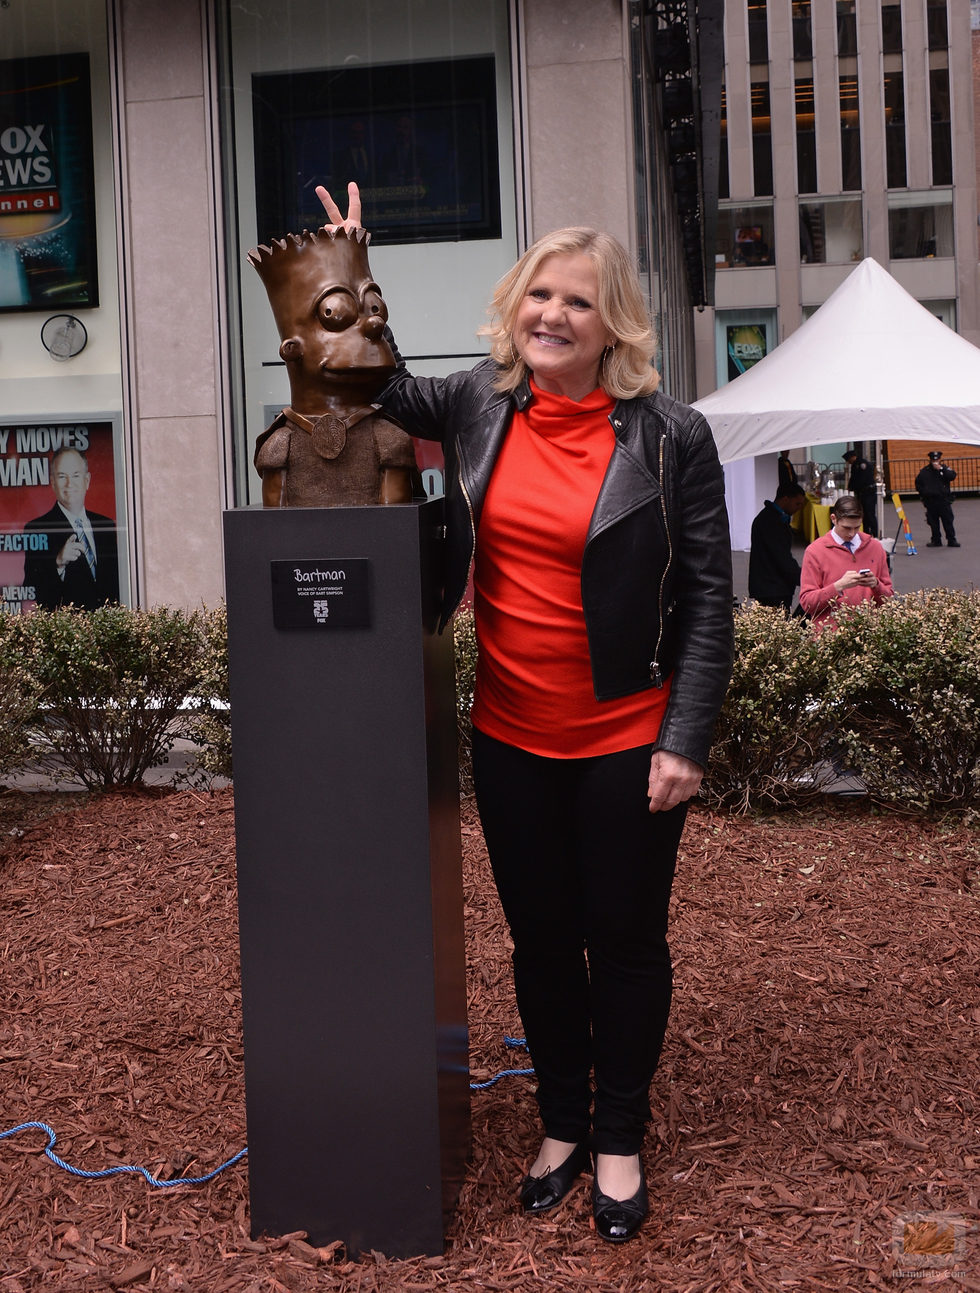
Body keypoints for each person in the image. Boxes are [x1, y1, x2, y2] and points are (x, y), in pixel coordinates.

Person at [316, 183, 735, 1243]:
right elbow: (370, 383)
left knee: (623, 942)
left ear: (615, 324)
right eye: (537, 295)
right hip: (509, 734)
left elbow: (704, 601)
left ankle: (618, 1136)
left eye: (577, 303)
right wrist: (348, 271)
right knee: (542, 943)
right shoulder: (474, 404)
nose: (551, 315)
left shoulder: (669, 435)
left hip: (623, 739)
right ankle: (558, 1124)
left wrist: (683, 736)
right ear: (513, 306)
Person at [23, 447, 119, 610]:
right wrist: (58, 564)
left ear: (86, 481)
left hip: (109, 629)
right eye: (62, 476)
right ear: (53, 483)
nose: (69, 483)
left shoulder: (106, 525)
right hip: (69, 631)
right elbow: (33, 590)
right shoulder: (37, 528)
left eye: (75, 475)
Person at [798, 493, 892, 630]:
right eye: (847, 528)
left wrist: (876, 585)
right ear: (833, 519)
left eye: (857, 527)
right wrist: (838, 587)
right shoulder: (815, 551)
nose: (851, 533)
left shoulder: (875, 548)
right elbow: (807, 603)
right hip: (830, 637)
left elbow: (889, 598)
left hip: (868, 634)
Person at [748, 483, 806, 611]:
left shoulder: (770, 517)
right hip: (772, 587)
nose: (799, 508)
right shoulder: (771, 521)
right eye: (797, 504)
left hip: (771, 585)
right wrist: (804, 578)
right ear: (785, 499)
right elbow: (781, 557)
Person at [914, 449, 959, 547]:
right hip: (931, 500)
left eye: (937, 459)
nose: (935, 461)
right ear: (930, 460)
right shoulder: (925, 471)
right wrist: (923, 494)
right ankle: (936, 540)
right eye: (933, 460)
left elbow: (952, 476)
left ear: (940, 459)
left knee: (948, 521)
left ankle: (951, 540)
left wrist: (941, 469)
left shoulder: (944, 469)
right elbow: (918, 483)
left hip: (943, 500)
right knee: (933, 522)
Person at [842, 449, 877, 537]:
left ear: (852, 457)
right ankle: (866, 533)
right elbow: (853, 478)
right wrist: (850, 487)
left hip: (868, 492)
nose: (848, 462)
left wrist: (853, 487)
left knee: (870, 514)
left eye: (848, 460)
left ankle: (875, 532)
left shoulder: (861, 464)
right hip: (862, 492)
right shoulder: (855, 465)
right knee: (863, 514)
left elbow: (861, 479)